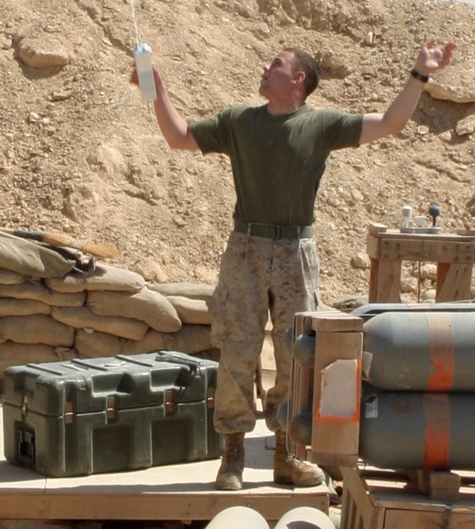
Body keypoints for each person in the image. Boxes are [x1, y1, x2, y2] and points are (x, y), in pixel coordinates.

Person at [134, 39, 456, 491]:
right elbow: (179, 137)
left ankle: (286, 453)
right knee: (237, 349)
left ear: (298, 79)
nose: (265, 68)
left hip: (295, 252)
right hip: (245, 248)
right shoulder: (238, 122)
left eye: (276, 64)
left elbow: (389, 122)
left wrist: (420, 74)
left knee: (296, 355)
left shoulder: (320, 125)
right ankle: (232, 456)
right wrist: (156, 89)